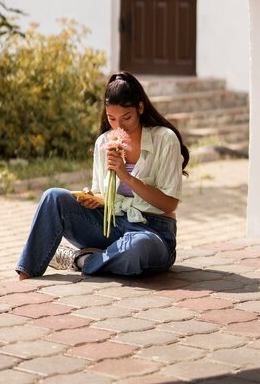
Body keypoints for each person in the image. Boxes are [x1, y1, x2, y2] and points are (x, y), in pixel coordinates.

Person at [16, 71, 189, 280]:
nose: (119, 126)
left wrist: (127, 177)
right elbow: (102, 194)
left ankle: (79, 260)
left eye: (126, 117)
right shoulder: (104, 142)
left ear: (140, 108)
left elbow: (169, 204)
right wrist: (93, 198)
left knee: (138, 248)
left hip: (152, 231)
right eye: (111, 118)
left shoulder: (165, 140)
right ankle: (26, 275)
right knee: (53, 197)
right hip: (111, 225)